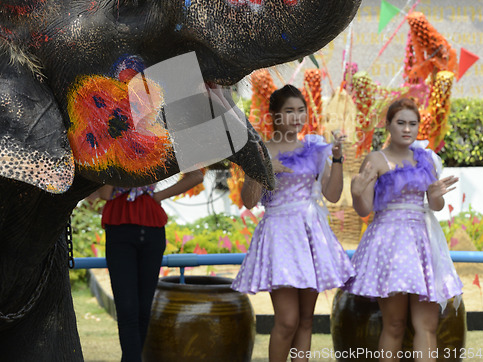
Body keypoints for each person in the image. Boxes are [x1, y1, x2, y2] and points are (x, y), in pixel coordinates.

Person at [231, 85, 355, 362]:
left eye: (301, 110)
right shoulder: (259, 151)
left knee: (306, 321)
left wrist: (336, 158)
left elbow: (332, 195)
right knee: (287, 320)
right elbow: (249, 202)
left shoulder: (315, 149)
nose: (297, 116)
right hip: (279, 235)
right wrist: (260, 171)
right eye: (289, 111)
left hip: (310, 232)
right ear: (274, 115)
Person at [345, 97, 462, 362]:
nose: (407, 129)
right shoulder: (375, 159)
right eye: (400, 123)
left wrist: (435, 193)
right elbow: (364, 210)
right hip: (389, 243)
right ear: (388, 125)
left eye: (412, 123)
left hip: (422, 242)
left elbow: (435, 205)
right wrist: (355, 194)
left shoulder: (427, 160)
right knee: (395, 324)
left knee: (427, 325)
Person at [91, 170, 204, 362]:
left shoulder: (161, 142)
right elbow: (104, 194)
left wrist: (157, 195)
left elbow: (197, 176)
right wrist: (119, 170)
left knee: (144, 308)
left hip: (151, 224)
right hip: (120, 224)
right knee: (127, 308)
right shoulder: (110, 143)